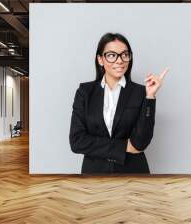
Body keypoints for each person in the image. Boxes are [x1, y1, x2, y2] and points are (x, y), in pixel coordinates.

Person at [69, 32, 168, 174]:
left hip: (133, 173)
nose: (119, 60)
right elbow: (77, 141)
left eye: (124, 54)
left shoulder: (141, 92)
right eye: (111, 55)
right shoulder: (85, 92)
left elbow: (140, 143)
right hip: (94, 175)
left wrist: (150, 97)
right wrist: (123, 147)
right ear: (100, 59)